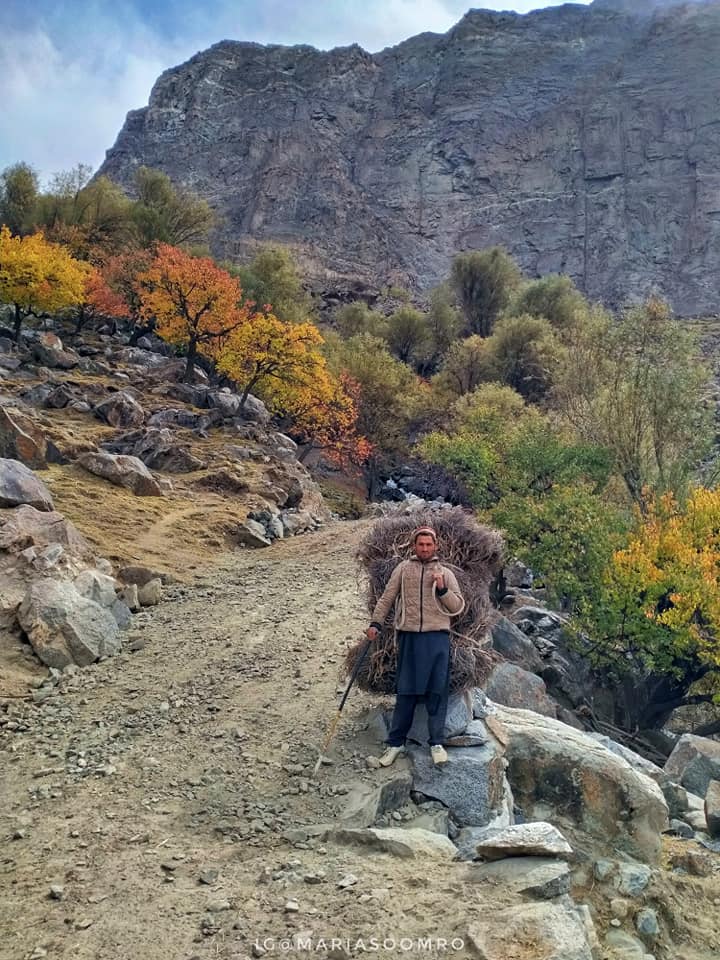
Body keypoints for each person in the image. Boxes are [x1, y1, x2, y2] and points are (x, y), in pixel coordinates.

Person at [366, 526, 465, 767]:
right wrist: (375, 623)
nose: (424, 548)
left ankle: (436, 743)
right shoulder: (403, 569)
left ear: (436, 546)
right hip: (409, 637)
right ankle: (395, 744)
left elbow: (458, 607)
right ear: (414, 546)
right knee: (406, 692)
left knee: (436, 691)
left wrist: (441, 589)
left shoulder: (445, 573)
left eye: (428, 545)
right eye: (420, 544)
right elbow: (387, 597)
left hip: (437, 638)